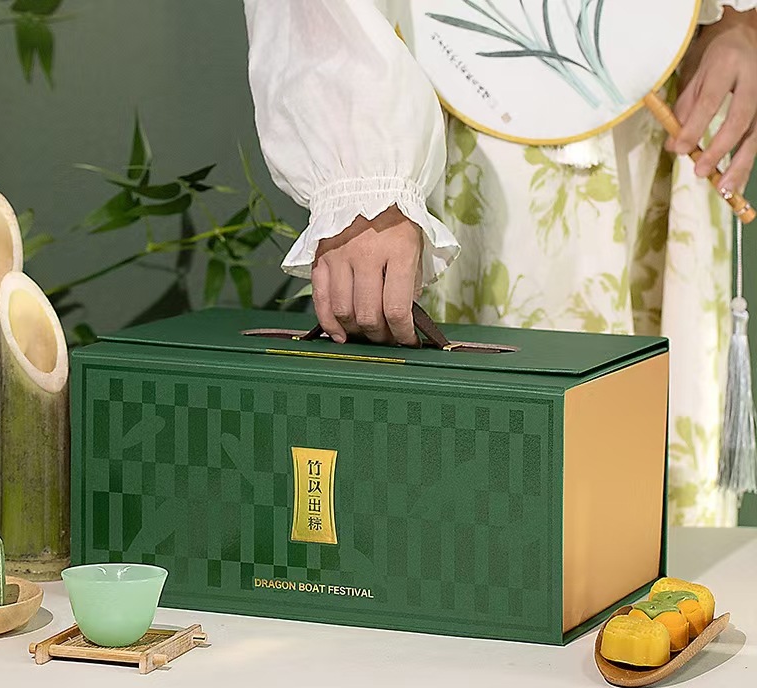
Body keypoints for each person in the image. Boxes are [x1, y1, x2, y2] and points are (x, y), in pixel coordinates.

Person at [245, 0, 757, 527]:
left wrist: (740, 20)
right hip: (467, 103)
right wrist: (364, 175)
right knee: (477, 504)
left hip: (654, 87)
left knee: (637, 531)